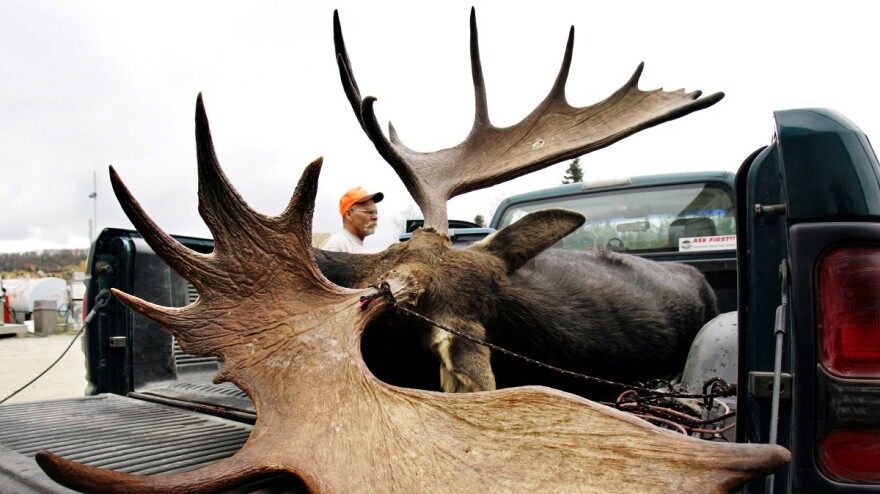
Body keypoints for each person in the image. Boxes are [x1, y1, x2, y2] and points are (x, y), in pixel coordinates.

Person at [319, 186, 384, 253]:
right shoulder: (337, 244)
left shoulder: (352, 245)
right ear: (349, 214)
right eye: (369, 212)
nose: (375, 217)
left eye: (375, 212)